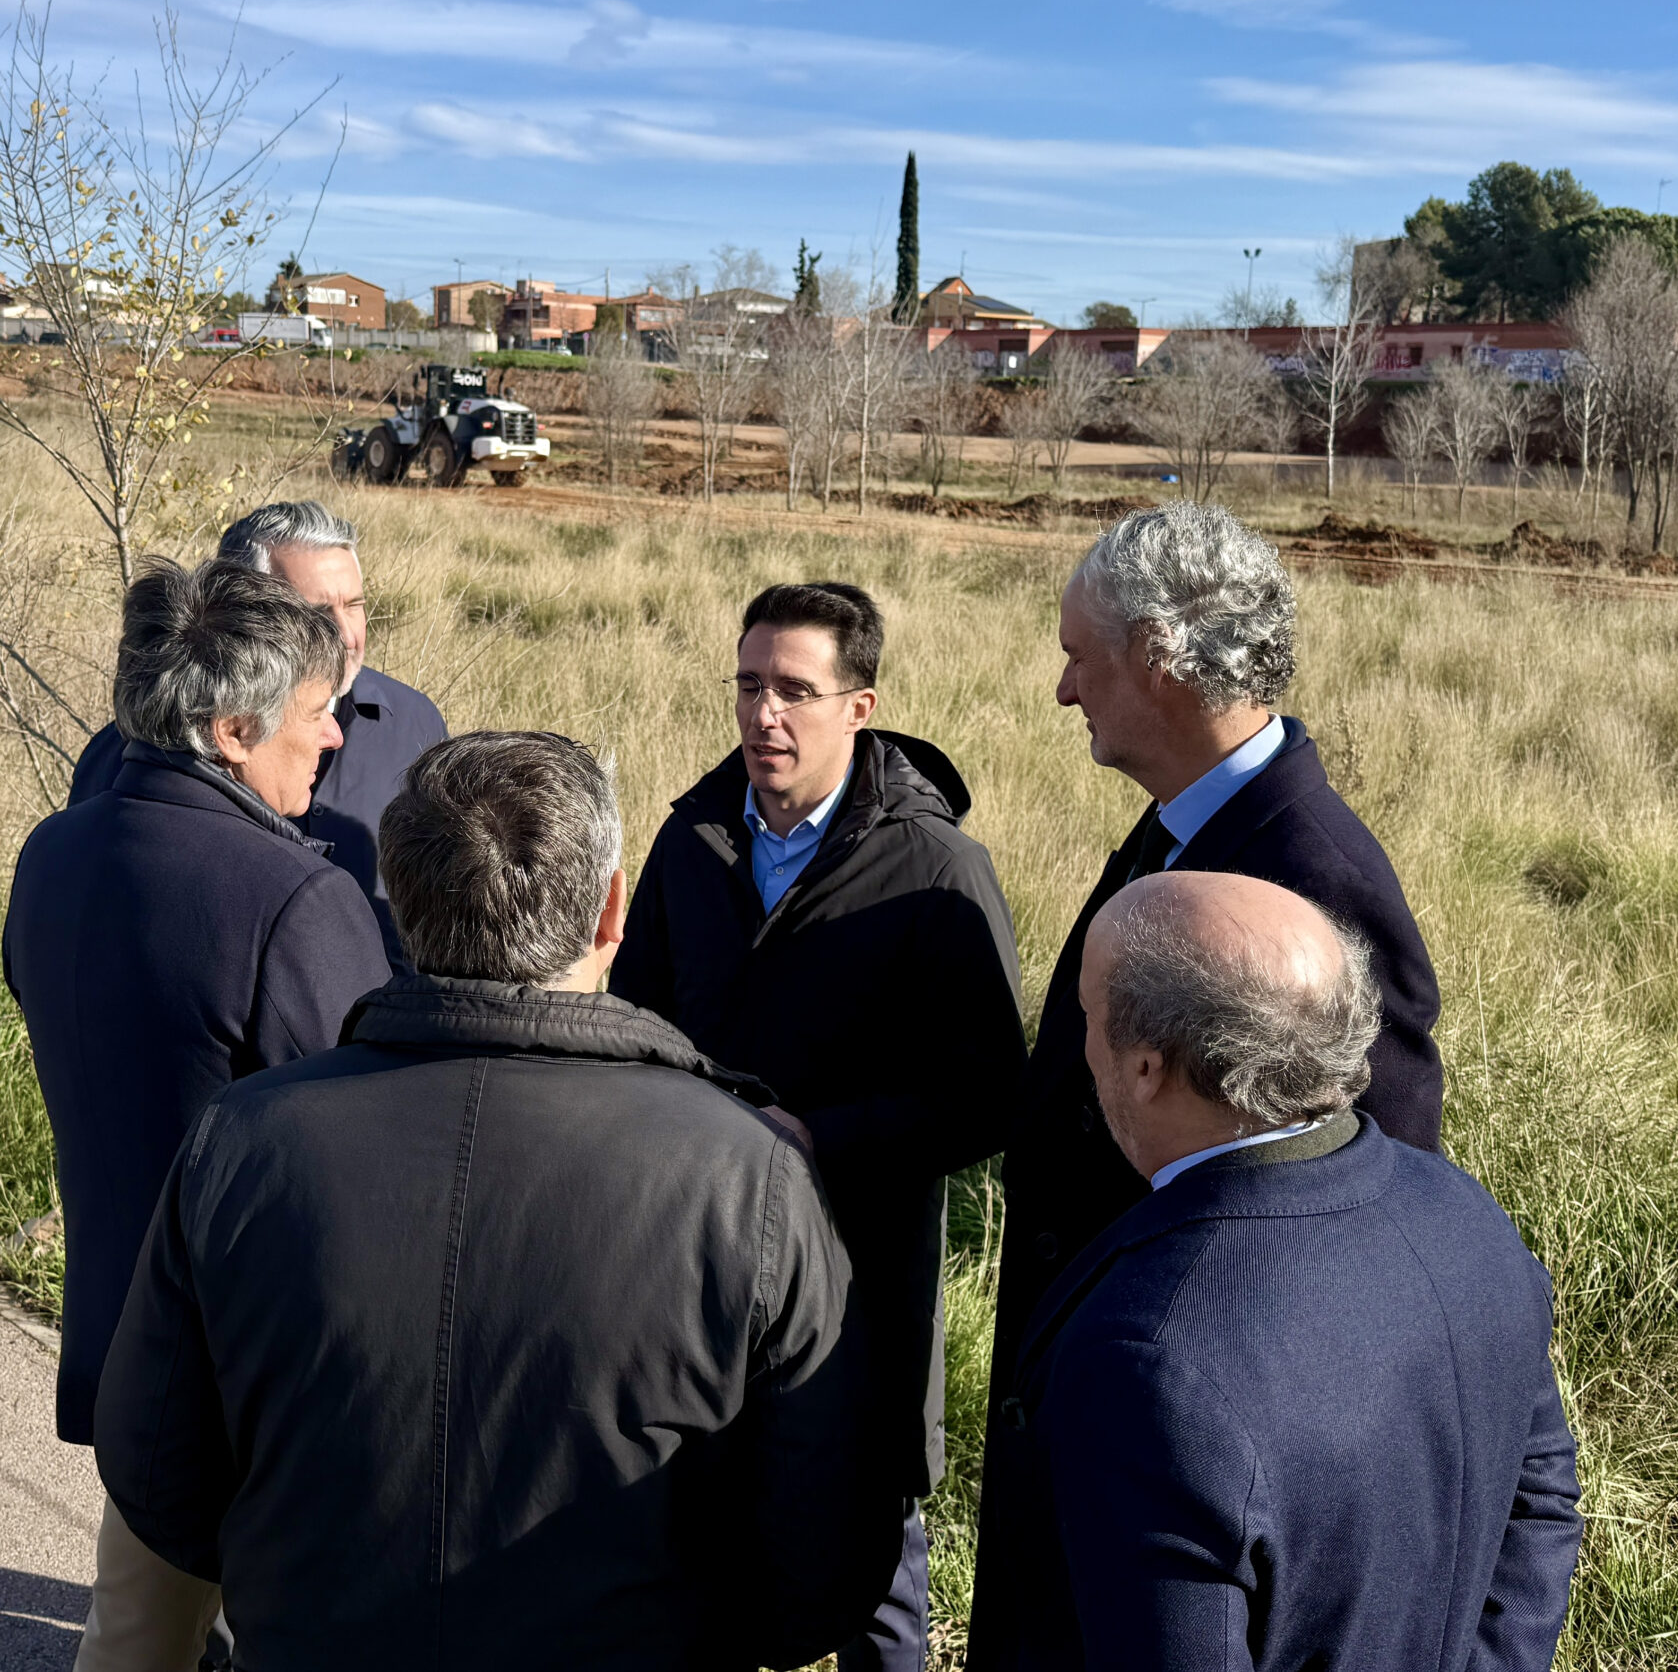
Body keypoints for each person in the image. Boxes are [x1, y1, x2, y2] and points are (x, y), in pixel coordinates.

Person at [95, 732, 904, 1672]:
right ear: (611, 910)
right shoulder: (748, 1178)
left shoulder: (244, 1140)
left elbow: (158, 1475)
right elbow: (826, 1559)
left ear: (402, 907)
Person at [968, 870, 1580, 1669]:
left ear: (1147, 1067)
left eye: (1088, 1015)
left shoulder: (1147, 1362)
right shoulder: (1467, 1215)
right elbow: (1543, 1501)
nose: (1082, 1047)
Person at [609, 582, 1027, 1672]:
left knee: (873, 1566)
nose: (765, 714)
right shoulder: (691, 842)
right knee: (697, 1536)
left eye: (795, 689)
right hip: (696, 1265)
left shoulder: (936, 871)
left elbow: (989, 1094)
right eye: (749, 684)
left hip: (858, 1280)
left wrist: (821, 1137)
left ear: (860, 706)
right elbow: (633, 1019)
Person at [3, 557, 390, 1670]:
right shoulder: (294, 898)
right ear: (232, 730)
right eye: (314, 714)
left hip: (124, 1337)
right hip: (266, 1376)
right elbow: (370, 1134)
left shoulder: (52, 851)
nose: (333, 736)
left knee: (134, 1634)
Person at [989, 503, 1445, 1390]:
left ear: (1155, 657)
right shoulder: (1185, 821)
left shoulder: (1317, 880)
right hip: (1099, 1363)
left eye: (1079, 656)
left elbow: (1375, 1195)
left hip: (1183, 1390)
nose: (1064, 690)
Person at [73, 500, 448, 965]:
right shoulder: (128, 753)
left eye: (354, 605)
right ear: (244, 614)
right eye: (315, 614)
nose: (346, 636)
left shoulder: (414, 725)